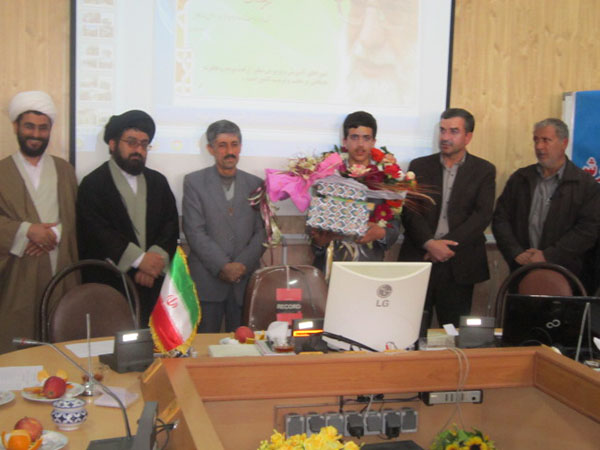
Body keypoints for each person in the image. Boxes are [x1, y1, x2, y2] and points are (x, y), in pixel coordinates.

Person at [76, 110, 179, 325]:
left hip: (153, 282)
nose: (138, 150)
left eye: (144, 144)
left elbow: (170, 226)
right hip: (109, 283)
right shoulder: (93, 184)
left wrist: (153, 263)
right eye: (131, 142)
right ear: (113, 144)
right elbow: (97, 232)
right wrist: (140, 261)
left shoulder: (158, 182)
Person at [398, 108, 496, 328]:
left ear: (468, 136)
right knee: (410, 327)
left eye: (453, 131)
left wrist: (445, 246)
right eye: (442, 130)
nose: (445, 137)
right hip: (421, 257)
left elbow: (482, 215)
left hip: (459, 263)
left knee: (452, 332)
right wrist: (430, 243)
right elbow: (410, 211)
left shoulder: (484, 170)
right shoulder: (419, 166)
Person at [0, 91, 78, 352]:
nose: (36, 134)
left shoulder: (65, 170)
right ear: (16, 127)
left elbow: (75, 217)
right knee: (19, 346)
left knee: (61, 342)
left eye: (43, 128)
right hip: (17, 276)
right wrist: (26, 231)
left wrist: (55, 234)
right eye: (29, 126)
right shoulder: (2, 171)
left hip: (60, 270)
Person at [182, 120, 266, 332]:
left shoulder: (256, 184)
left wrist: (242, 265)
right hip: (207, 280)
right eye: (222, 145)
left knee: (244, 346)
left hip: (245, 280)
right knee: (203, 344)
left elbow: (262, 231)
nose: (230, 151)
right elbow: (194, 231)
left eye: (234, 144)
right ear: (210, 149)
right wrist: (223, 266)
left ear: (240, 147)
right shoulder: (194, 182)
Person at [492, 118, 600, 280]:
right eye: (536, 140)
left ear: (564, 143)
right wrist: (516, 252)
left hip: (568, 274)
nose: (539, 146)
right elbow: (500, 219)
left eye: (546, 140)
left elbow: (588, 230)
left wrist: (548, 256)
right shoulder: (520, 178)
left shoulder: (585, 184)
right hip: (522, 268)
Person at [311, 111, 401, 272]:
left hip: (370, 265)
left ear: (373, 142)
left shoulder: (386, 178)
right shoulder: (329, 174)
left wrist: (381, 233)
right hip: (330, 265)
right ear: (344, 141)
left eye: (366, 138)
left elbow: (394, 226)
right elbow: (314, 232)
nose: (360, 144)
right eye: (354, 137)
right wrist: (319, 240)